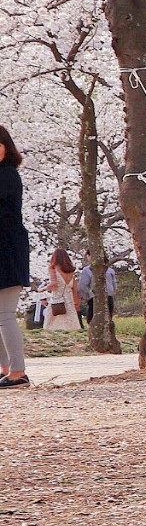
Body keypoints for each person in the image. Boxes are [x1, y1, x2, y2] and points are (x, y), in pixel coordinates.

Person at [1, 126, 29, 387]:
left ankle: (18, 372)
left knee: (5, 314)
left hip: (7, 252)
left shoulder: (7, 175)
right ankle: (7, 368)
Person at [43, 246, 81, 331]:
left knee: (53, 319)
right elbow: (74, 288)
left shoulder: (53, 268)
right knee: (69, 318)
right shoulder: (71, 271)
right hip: (69, 297)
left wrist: (43, 289)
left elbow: (54, 284)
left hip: (57, 297)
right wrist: (76, 302)